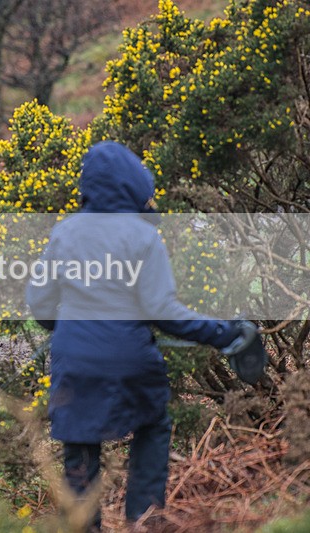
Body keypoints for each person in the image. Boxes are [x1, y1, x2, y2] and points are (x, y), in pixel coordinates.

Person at [25, 141, 264, 530]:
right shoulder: (141, 235)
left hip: (74, 364)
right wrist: (225, 334)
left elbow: (39, 303)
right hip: (129, 360)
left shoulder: (65, 232)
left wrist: (67, 328)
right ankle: (146, 520)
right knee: (152, 426)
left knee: (80, 452)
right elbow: (163, 312)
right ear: (132, 183)